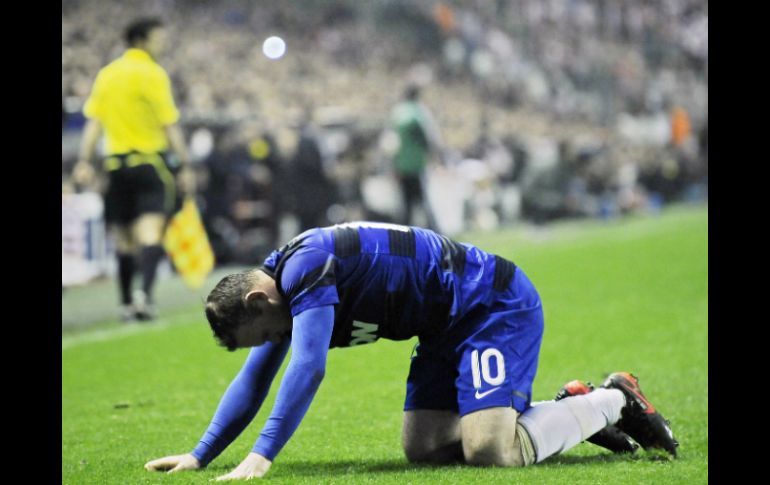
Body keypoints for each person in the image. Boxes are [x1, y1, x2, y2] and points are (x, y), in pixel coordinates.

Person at [145, 222, 678, 480]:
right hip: (442, 328)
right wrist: (200, 454)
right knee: (425, 448)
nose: (269, 344)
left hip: (489, 304)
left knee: (490, 451)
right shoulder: (279, 288)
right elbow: (256, 379)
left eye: (262, 335)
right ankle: (571, 409)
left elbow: (308, 368)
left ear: (258, 301)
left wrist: (261, 456)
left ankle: (614, 400)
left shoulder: (306, 269)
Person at [73, 17, 193, 321]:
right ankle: (144, 297)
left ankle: (125, 303)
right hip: (148, 164)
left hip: (115, 167)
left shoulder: (107, 74)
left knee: (124, 239)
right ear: (141, 40)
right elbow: (169, 124)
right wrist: (184, 165)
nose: (162, 45)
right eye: (158, 39)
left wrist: (84, 161)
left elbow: (94, 123)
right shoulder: (153, 73)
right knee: (150, 232)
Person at [390, 85, 442, 229]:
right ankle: (434, 230)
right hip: (417, 164)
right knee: (423, 201)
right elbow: (429, 137)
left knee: (406, 203)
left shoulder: (397, 113)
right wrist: (433, 155)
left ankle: (402, 233)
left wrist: (394, 164)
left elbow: (391, 143)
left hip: (401, 165)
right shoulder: (419, 112)